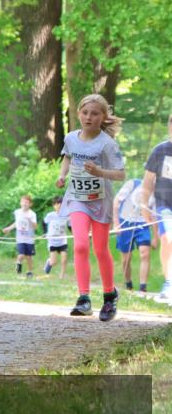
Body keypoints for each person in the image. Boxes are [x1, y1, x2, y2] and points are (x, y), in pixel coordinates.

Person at [56, 94, 126, 320]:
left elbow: (121, 174)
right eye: (85, 112)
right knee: (80, 246)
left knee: (100, 249)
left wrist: (99, 172)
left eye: (95, 114)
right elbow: (67, 158)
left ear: (103, 117)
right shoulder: (71, 138)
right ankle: (83, 298)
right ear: (78, 113)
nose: (89, 117)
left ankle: (109, 295)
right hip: (77, 198)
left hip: (100, 201)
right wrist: (62, 175)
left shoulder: (108, 144)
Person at [139, 113, 172, 304]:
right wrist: (144, 205)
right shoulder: (160, 151)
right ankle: (169, 283)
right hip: (164, 204)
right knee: (167, 239)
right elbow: (147, 182)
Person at [114, 177, 156, 294]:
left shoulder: (156, 194)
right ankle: (128, 283)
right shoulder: (132, 184)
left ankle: (143, 287)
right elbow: (116, 201)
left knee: (145, 253)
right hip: (125, 222)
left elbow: (154, 216)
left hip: (143, 224)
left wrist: (155, 236)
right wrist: (116, 223)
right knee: (126, 259)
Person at [2, 194, 37, 279]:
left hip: (29, 239)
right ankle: (18, 265)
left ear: (30, 204)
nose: (24, 204)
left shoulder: (32, 214)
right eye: (23, 202)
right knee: (21, 254)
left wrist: (30, 220)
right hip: (20, 238)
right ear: (20, 203)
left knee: (29, 256)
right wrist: (9, 228)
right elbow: (16, 223)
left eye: (26, 202)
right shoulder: (17, 212)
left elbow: (35, 226)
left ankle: (29, 272)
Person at [43, 196, 70, 279]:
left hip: (62, 241)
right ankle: (49, 262)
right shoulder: (50, 215)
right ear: (54, 206)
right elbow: (44, 222)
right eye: (57, 204)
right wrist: (45, 233)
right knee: (53, 262)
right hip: (52, 242)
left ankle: (62, 275)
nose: (59, 206)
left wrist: (74, 234)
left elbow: (70, 226)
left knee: (64, 258)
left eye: (61, 205)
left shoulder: (67, 215)